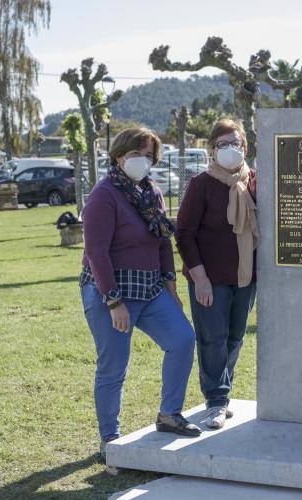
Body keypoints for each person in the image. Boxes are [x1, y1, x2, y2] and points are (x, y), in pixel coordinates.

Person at [80, 127, 200, 462]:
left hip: (150, 289)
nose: (142, 160)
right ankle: (110, 440)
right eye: (136, 153)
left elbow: (162, 241)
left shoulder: (151, 192)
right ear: (119, 156)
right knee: (113, 366)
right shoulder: (103, 195)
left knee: (182, 339)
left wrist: (171, 290)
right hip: (111, 292)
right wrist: (113, 301)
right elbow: (96, 253)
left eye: (148, 155)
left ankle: (169, 414)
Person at [175, 119, 258, 429]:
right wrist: (200, 278)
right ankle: (216, 401)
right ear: (212, 149)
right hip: (209, 278)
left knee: (235, 338)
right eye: (222, 144)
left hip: (245, 277)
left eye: (235, 143)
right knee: (212, 339)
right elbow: (184, 233)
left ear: (245, 148)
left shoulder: (255, 182)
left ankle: (223, 392)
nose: (229, 149)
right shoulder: (201, 184)